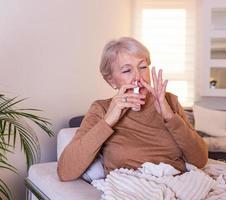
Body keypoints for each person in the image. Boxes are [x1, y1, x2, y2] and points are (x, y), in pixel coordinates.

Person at [57, 37, 208, 181]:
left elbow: (200, 160)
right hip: (131, 188)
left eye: (143, 67)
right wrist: (109, 120)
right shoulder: (101, 109)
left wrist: (170, 116)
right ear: (111, 80)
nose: (138, 77)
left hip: (179, 184)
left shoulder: (170, 101)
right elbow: (65, 172)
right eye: (126, 71)